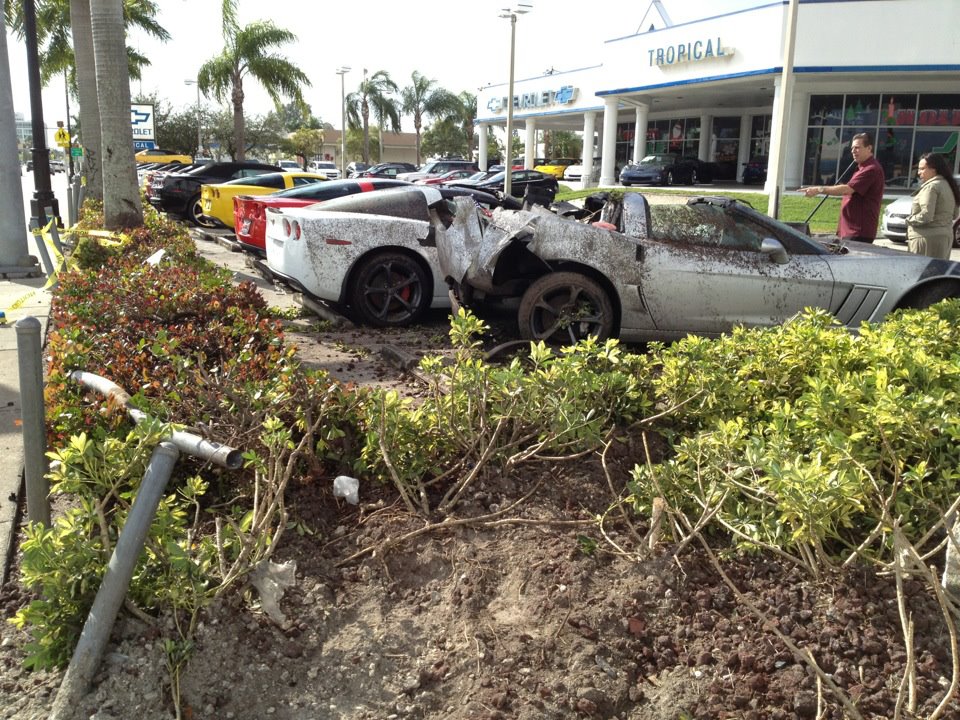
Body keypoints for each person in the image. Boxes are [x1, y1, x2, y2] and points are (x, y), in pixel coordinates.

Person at [801, 132, 885, 242]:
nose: (853, 151)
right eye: (852, 148)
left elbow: (848, 189)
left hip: (858, 232)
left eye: (857, 148)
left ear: (869, 148)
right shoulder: (861, 168)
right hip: (850, 230)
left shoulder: (871, 169)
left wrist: (818, 189)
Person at [905, 152, 960, 259]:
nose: (919, 173)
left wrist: (909, 220)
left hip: (926, 239)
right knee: (938, 273)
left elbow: (926, 215)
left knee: (921, 274)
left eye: (922, 169)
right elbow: (955, 214)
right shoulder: (949, 185)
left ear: (934, 169)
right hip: (945, 238)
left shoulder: (931, 187)